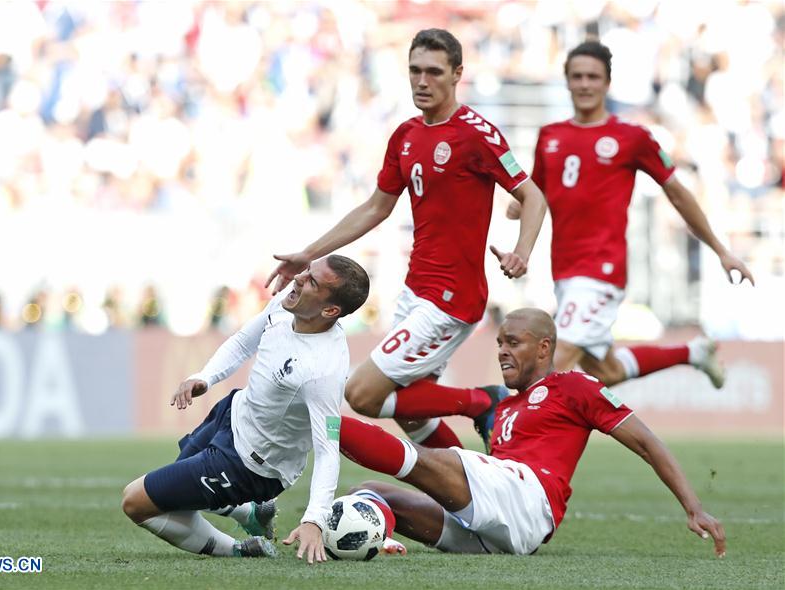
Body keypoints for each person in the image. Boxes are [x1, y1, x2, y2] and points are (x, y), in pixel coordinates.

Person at [267, 29, 547, 452]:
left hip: (453, 297)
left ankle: (484, 401)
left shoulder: (477, 134)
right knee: (411, 412)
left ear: (457, 74)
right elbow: (375, 207)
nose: (422, 81)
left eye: (434, 72)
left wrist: (522, 251)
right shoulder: (405, 136)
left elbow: (532, 195)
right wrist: (310, 253)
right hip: (416, 291)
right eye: (414, 70)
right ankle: (470, 488)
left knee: (362, 393)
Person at [338, 308, 727, 557]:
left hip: (530, 502)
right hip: (494, 526)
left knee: (428, 461)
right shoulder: (506, 406)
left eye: (513, 343)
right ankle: (380, 538)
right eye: (500, 343)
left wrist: (693, 507)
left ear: (544, 348)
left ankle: (316, 420)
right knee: (367, 493)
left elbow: (646, 442)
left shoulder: (575, 386)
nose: (502, 351)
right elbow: (472, 474)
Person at [508, 40, 754, 388]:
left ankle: (509, 439)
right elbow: (538, 193)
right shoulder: (551, 136)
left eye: (593, 76)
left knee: (548, 365)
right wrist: (519, 206)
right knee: (606, 372)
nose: (584, 84)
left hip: (601, 270)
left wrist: (721, 250)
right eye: (577, 76)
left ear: (607, 83)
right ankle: (694, 352)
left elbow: (678, 194)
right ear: (566, 81)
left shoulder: (632, 137)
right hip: (564, 269)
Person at [122, 255, 370, 564]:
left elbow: (327, 449)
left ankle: (240, 549)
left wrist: (315, 518)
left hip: (251, 465)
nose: (298, 279)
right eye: (307, 271)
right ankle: (248, 512)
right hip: (231, 414)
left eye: (312, 282)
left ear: (330, 310)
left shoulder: (323, 369)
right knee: (172, 500)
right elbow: (242, 342)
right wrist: (205, 377)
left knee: (136, 502)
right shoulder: (288, 302)